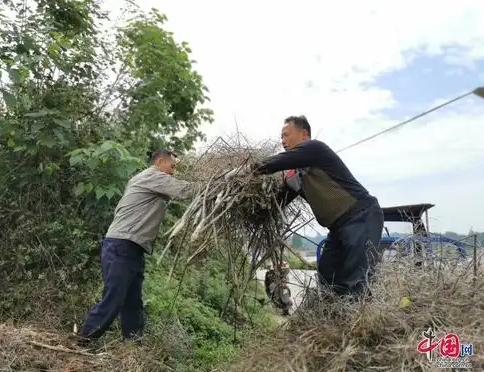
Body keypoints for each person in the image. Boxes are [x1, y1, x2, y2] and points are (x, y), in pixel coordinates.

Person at [226, 115, 384, 298]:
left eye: (286, 135)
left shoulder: (315, 148)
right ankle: (331, 322)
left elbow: (279, 161)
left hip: (361, 217)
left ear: (304, 134)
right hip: (337, 228)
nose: (283, 141)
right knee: (328, 280)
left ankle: (361, 324)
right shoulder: (295, 176)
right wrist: (249, 210)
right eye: (281, 137)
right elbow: (277, 203)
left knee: (357, 282)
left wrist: (246, 170)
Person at [77, 150, 196, 346]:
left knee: (133, 302)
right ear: (159, 162)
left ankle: (133, 347)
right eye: (172, 166)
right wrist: (218, 183)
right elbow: (186, 191)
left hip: (131, 247)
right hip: (121, 245)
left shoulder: (149, 180)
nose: (173, 172)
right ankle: (83, 341)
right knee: (114, 298)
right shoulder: (152, 176)